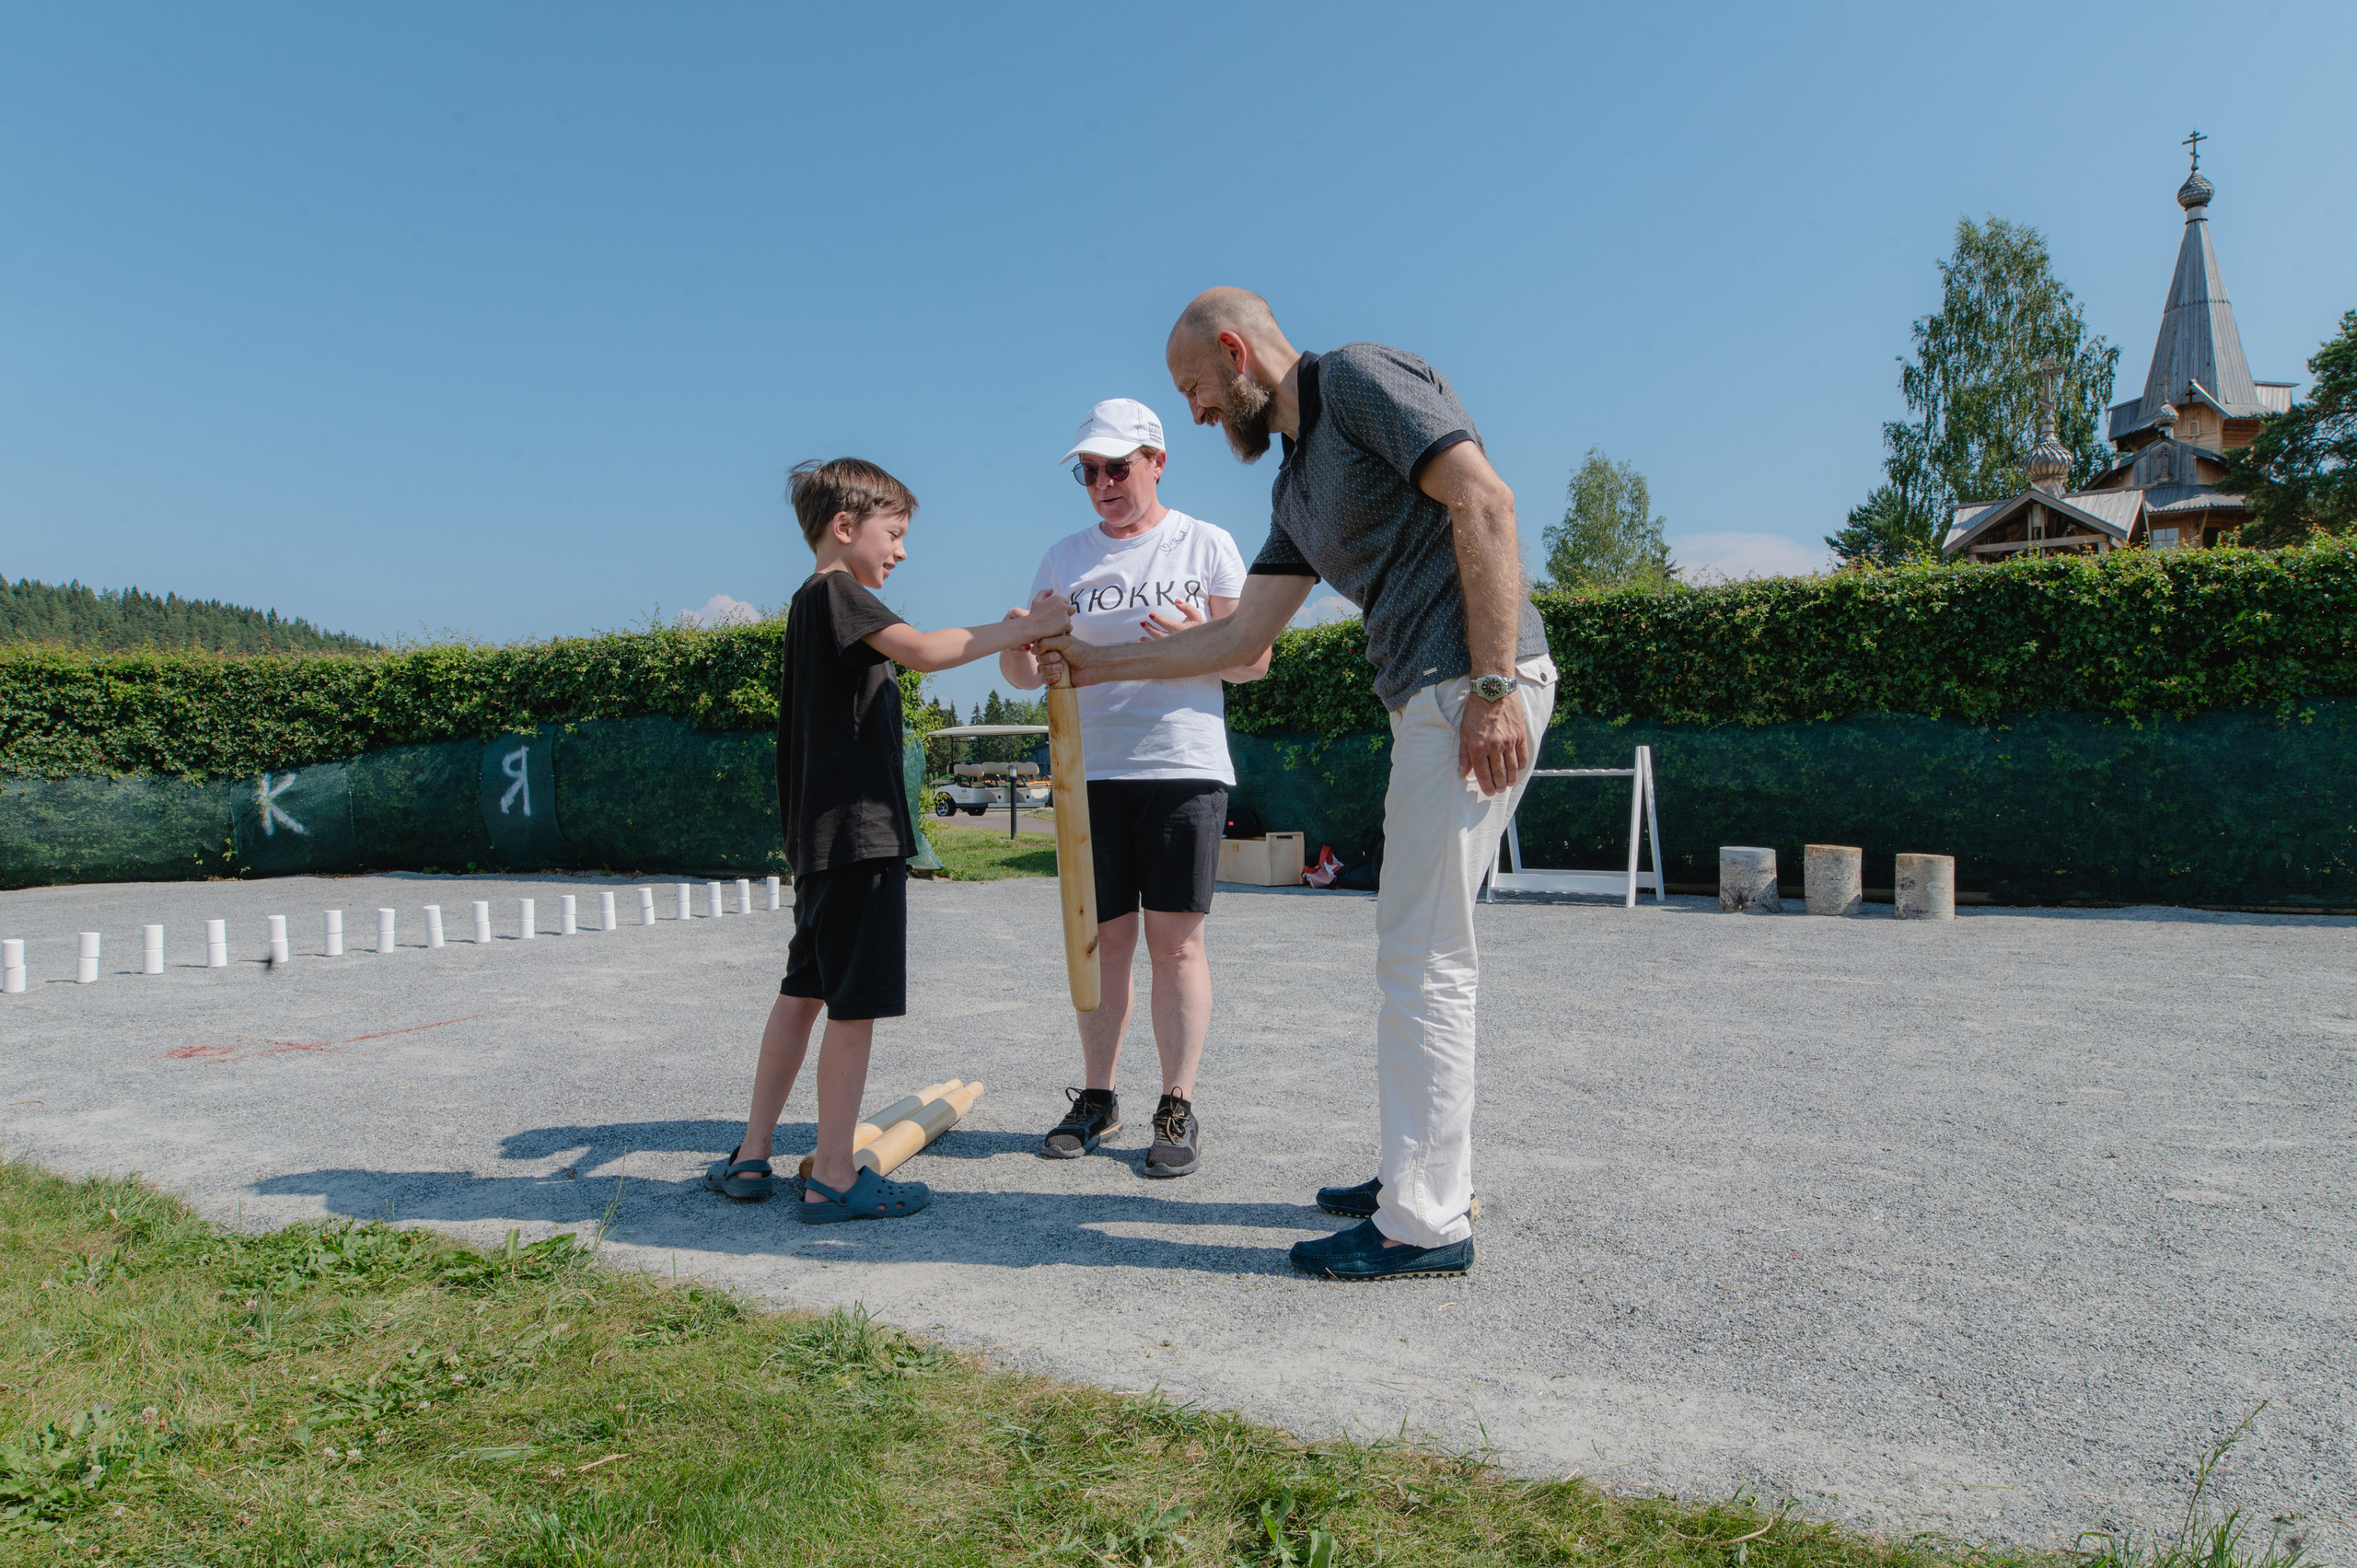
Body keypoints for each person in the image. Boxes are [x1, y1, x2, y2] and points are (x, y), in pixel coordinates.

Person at [1039, 290, 1556, 1281]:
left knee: (1426, 954)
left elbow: (1485, 501)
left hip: (1472, 687)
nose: (1194, 411)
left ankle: (1424, 1220)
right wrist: (1096, 664)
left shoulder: (1357, 378)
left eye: (1194, 386)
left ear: (1235, 353)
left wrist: (1493, 689)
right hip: (1430, 697)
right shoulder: (1295, 487)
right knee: (1412, 946)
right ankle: (1417, 1174)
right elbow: (1240, 637)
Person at [707, 457, 1070, 1220]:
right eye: (894, 533)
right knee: (853, 1006)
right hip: (860, 839)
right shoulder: (841, 594)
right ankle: (834, 1175)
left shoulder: (808, 603)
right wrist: (1027, 627)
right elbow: (929, 650)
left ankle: (751, 1155)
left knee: (802, 992)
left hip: (820, 841)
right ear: (845, 527)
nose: (901, 551)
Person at [999, 399, 1269, 1178]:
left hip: (1182, 767)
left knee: (1176, 943)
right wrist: (1020, 646)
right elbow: (1024, 672)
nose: (1103, 485)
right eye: (1089, 473)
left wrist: (1199, 643)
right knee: (1104, 941)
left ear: (1157, 461)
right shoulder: (1064, 558)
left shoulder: (1206, 543)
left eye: (1117, 467)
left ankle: (1176, 1104)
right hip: (1089, 773)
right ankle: (1097, 1097)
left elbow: (1254, 661)